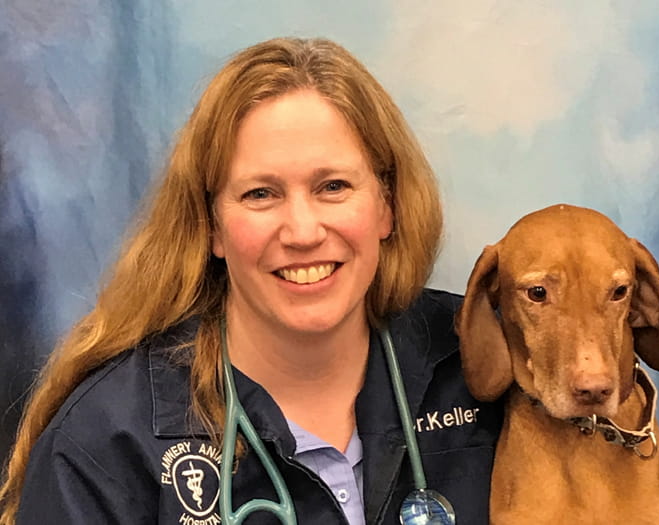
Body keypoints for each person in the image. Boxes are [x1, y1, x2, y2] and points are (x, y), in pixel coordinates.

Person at [0, 37, 502, 524]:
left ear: (386, 206)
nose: (303, 232)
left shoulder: (489, 361)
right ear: (212, 225)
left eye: (333, 186)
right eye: (261, 194)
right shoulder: (105, 445)